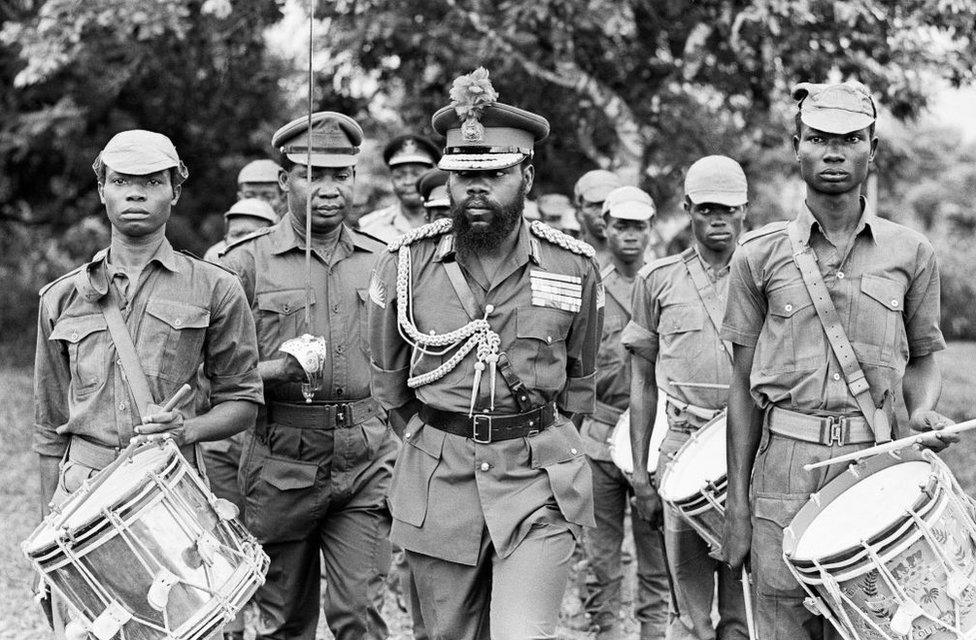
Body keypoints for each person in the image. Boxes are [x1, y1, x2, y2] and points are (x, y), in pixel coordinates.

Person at [368, 67, 602, 640]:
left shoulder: (573, 267)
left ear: (526, 175)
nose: (475, 190)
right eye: (462, 176)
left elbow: (578, 383)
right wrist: (449, 432)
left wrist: (523, 430)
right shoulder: (403, 265)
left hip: (536, 481)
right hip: (437, 483)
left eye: (493, 174)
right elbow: (389, 387)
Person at [720, 81, 957, 640]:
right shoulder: (758, 255)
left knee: (877, 622)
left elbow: (925, 356)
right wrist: (736, 507)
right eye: (819, 138)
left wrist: (921, 411)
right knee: (780, 619)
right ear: (796, 146)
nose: (833, 151)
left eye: (850, 138)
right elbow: (740, 386)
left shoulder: (911, 252)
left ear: (871, 149)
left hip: (875, 465)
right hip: (784, 469)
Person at [33, 130, 264, 634]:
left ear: (174, 191)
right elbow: (49, 431)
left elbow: (244, 401)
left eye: (151, 181)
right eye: (121, 181)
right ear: (102, 191)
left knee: (182, 627)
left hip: (171, 491)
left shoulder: (215, 287)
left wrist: (187, 429)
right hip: (81, 494)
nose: (135, 193)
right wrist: (48, 537)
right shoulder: (62, 297)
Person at [220, 111, 399, 640]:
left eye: (340, 175)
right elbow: (214, 377)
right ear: (283, 182)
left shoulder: (383, 261)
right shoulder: (244, 264)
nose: (328, 189)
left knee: (360, 618)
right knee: (283, 623)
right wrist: (280, 367)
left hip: (366, 459)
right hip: (282, 459)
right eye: (310, 174)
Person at [623, 156, 750, 640]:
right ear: (688, 208)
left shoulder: (765, 273)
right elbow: (642, 382)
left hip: (748, 449)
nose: (719, 220)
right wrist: (641, 475)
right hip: (682, 447)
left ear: (745, 210)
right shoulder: (656, 280)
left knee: (744, 605)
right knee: (689, 609)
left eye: (730, 209)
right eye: (706, 209)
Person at [579, 185, 670, 640]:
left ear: (651, 230)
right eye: (621, 226)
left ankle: (654, 633)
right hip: (597, 433)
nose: (630, 236)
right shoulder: (589, 282)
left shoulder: (665, 283)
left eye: (639, 226)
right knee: (600, 557)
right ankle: (605, 632)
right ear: (605, 228)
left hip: (654, 433)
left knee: (657, 555)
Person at [359, 134, 441, 242]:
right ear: (391, 178)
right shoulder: (370, 229)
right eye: (399, 175)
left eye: (416, 174)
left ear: (432, 175)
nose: (408, 182)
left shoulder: (449, 222)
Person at [203, 197, 279, 261]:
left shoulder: (284, 260)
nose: (243, 241)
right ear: (226, 238)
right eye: (237, 234)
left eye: (253, 235)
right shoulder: (213, 258)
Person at [574, 169, 622, 266]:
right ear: (579, 213)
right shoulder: (568, 260)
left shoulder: (635, 261)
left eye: (610, 205)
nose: (603, 213)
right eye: (595, 206)